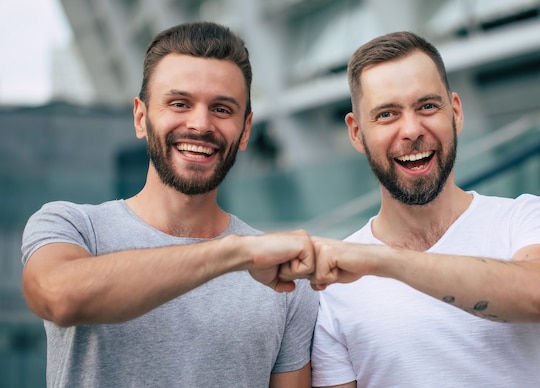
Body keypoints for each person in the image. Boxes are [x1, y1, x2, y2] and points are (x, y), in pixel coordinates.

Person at [21, 21, 318, 388]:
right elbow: (57, 296)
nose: (200, 124)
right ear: (141, 117)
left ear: (245, 130)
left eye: (222, 109)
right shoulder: (72, 226)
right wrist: (235, 253)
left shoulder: (285, 280)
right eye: (179, 103)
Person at [308, 31, 540, 387]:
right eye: (387, 114)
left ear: (456, 112)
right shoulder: (333, 290)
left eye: (427, 107)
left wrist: (381, 260)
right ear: (356, 133)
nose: (412, 130)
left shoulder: (525, 218)